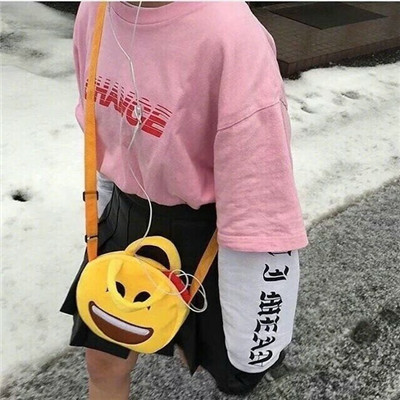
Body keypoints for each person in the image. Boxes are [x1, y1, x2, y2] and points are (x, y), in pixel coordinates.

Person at [60, 1, 309, 399]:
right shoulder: (97, 8)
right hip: (126, 213)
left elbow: (261, 199)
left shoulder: (232, 37)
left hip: (210, 234)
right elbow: (101, 123)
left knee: (231, 371)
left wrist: (255, 329)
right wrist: (104, 205)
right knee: (104, 360)